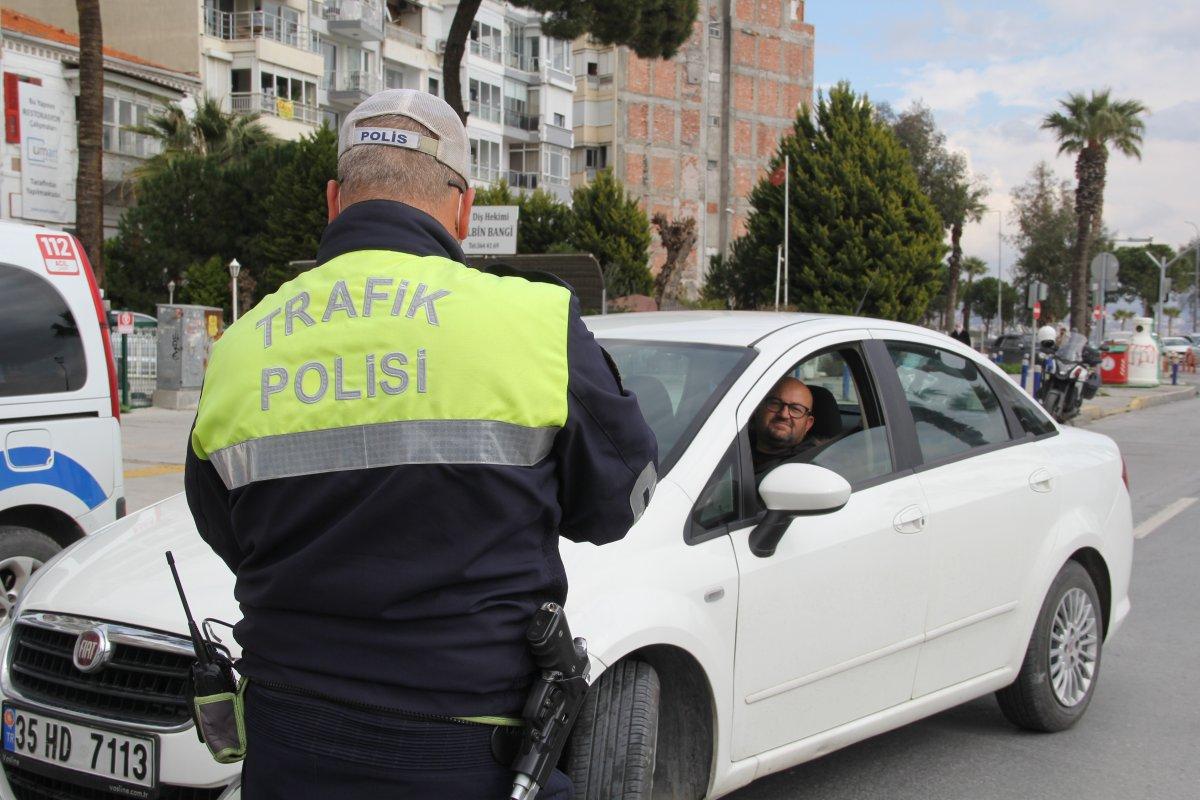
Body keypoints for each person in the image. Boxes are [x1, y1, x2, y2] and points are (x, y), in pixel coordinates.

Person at [184, 89, 658, 800]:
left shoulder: (244, 343)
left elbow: (227, 527)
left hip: (288, 752)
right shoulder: (533, 321)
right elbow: (619, 502)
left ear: (334, 199)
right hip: (468, 751)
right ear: (463, 207)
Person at [750, 376, 818, 479]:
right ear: (757, 410)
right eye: (775, 403)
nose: (783, 414)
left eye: (796, 409)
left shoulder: (812, 467)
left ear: (808, 424)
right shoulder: (731, 446)